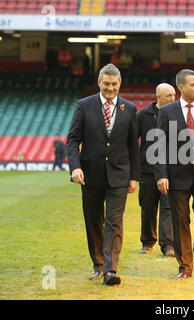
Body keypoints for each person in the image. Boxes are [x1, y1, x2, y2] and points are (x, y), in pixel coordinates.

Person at [67, 63, 139, 286]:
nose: (111, 88)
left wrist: (134, 177)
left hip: (119, 175)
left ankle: (111, 269)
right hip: (90, 175)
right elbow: (73, 140)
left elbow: (133, 147)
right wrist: (75, 167)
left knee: (114, 222)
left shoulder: (130, 108)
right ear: (99, 83)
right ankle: (98, 265)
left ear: (120, 84)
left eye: (114, 84)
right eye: (106, 84)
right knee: (93, 221)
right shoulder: (83, 106)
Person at [155, 69, 194, 279]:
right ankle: (185, 267)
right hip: (176, 175)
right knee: (180, 220)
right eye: (193, 84)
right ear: (180, 87)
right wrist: (161, 175)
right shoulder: (166, 112)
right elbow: (159, 146)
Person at [138, 83, 176, 257]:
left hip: (169, 169)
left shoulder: (176, 114)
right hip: (147, 170)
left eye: (174, 95)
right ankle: (147, 241)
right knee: (148, 206)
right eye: (168, 95)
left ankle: (168, 244)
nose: (172, 99)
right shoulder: (143, 115)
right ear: (158, 97)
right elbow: (133, 139)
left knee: (168, 207)